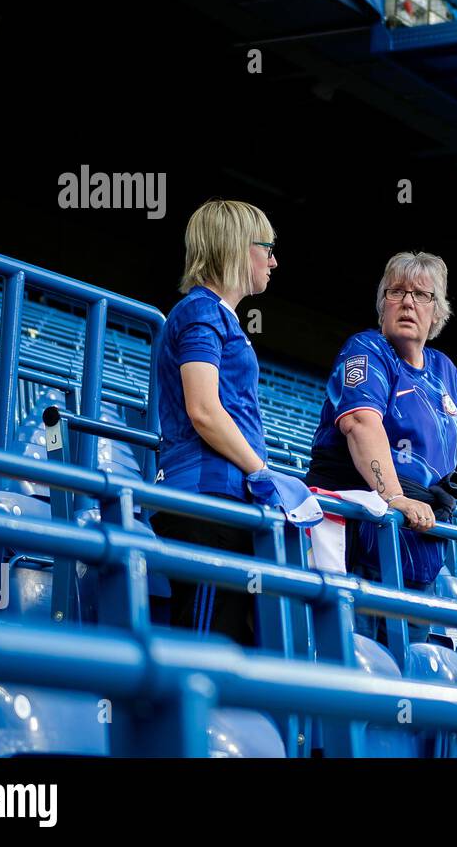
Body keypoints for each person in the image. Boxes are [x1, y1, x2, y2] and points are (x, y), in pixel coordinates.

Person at [307, 251, 457, 640]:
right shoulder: (366, 350)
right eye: (396, 292)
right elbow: (362, 424)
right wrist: (393, 497)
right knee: (359, 661)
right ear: (383, 304)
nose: (408, 302)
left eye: (421, 294)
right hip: (362, 538)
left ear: (437, 313)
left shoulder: (444, 369)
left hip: (421, 548)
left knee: (409, 668)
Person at [150, 199, 278, 647]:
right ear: (238, 248)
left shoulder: (216, 314)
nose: (273, 261)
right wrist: (260, 470)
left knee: (228, 642)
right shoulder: (201, 311)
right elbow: (203, 410)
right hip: (207, 500)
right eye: (267, 247)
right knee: (208, 646)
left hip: (224, 499)